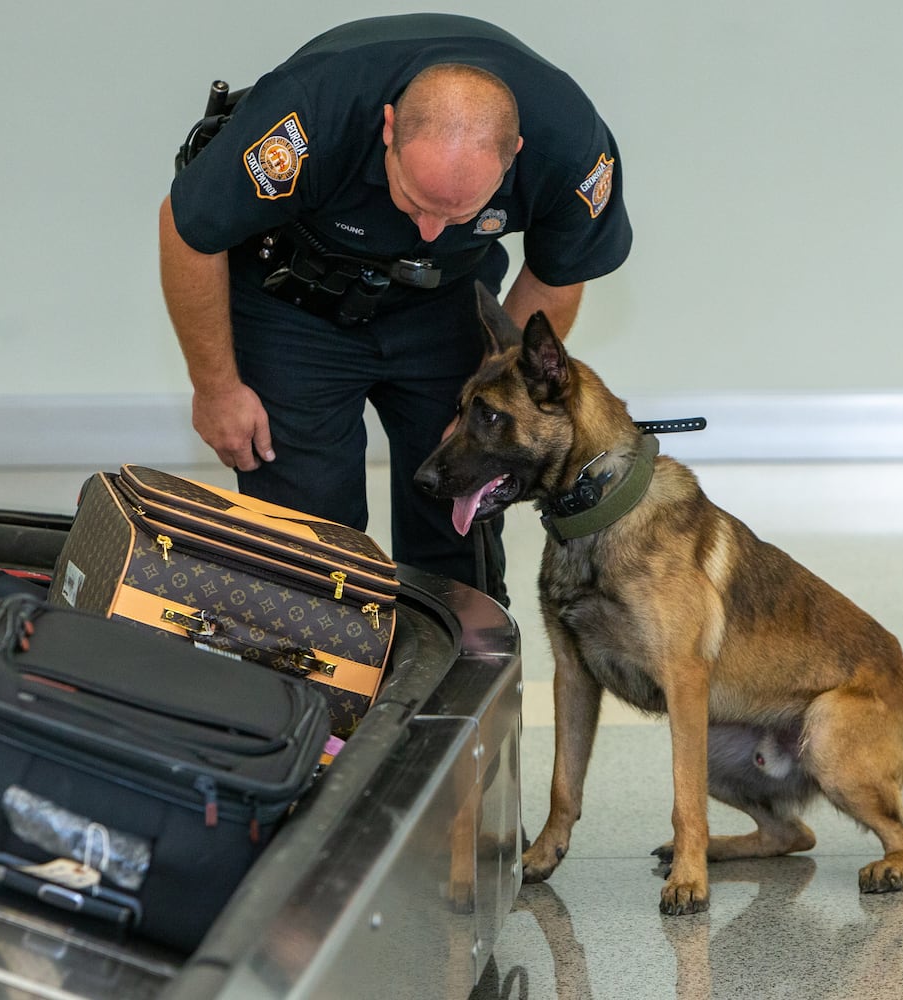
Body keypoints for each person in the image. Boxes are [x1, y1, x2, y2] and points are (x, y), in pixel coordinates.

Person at [159, 13, 632, 600]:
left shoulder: (571, 145)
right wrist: (217, 388)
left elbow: (560, 274)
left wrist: (499, 397)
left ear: (514, 155)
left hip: (447, 308)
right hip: (294, 310)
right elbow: (189, 233)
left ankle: (454, 683)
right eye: (415, 199)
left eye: (458, 214)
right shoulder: (310, 113)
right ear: (388, 130)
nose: (432, 229)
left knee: (457, 521)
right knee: (308, 542)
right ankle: (315, 682)